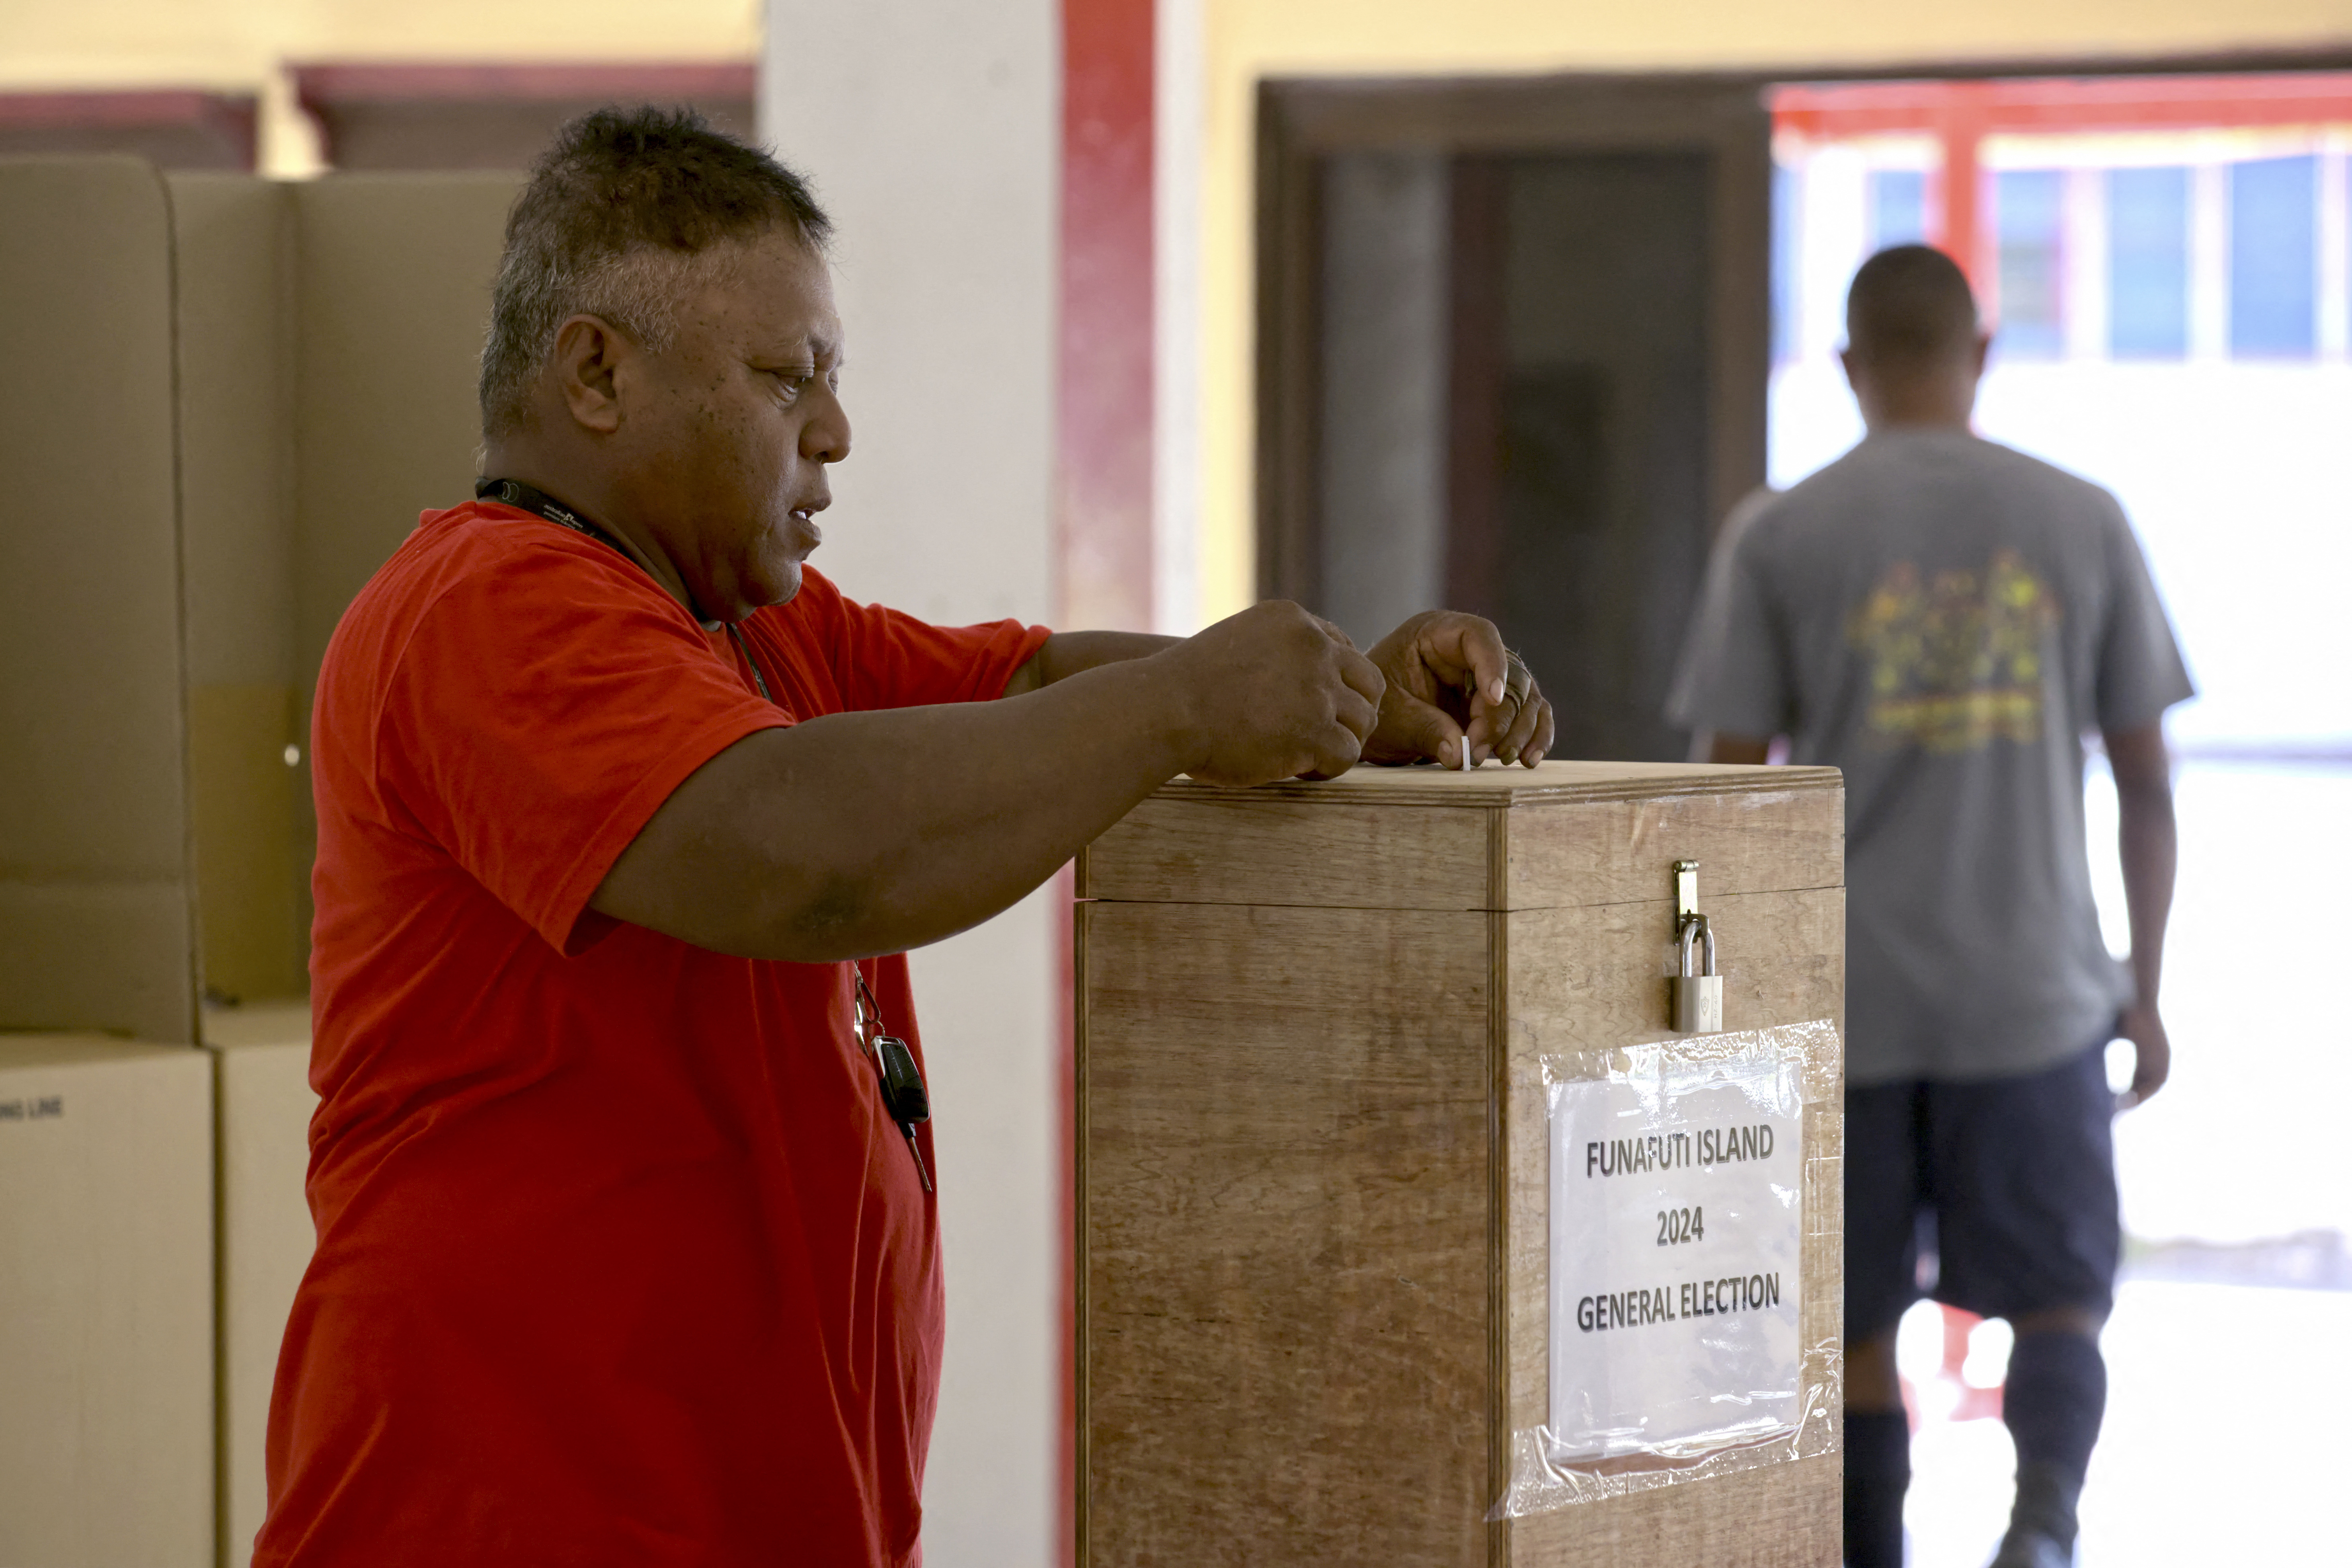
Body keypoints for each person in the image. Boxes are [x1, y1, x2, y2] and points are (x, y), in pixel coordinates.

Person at [253, 108, 1554, 1568]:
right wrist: (1186, 709)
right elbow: (805, 855)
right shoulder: (485, 612)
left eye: (835, 379)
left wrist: (1338, 698)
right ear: (598, 374)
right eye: (786, 379)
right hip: (508, 1518)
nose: (833, 433)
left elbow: (1036, 687)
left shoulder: (750, 631)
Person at [1667, 245, 2189, 1568]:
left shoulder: (1779, 534)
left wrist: (1726, 1015)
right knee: (2064, 1295)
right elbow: (2144, 785)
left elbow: (1729, 795)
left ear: (1849, 365)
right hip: (2035, 996)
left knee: (1845, 1325)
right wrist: (2146, 984)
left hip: (1850, 1004)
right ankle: (2042, 1528)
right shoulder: (2083, 517)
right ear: (1982, 354)